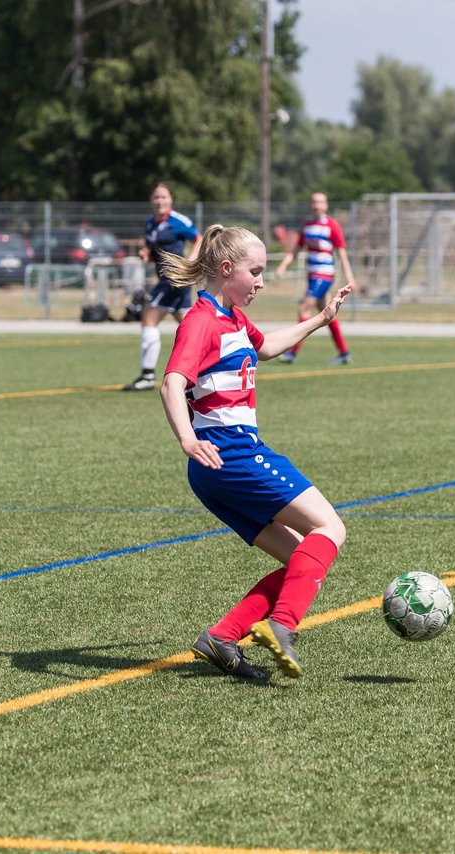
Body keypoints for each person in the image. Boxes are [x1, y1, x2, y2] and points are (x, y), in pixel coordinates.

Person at [158, 224, 352, 680]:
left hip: (217, 467)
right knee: (331, 528)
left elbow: (266, 349)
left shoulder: (233, 319)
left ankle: (223, 636)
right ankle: (282, 626)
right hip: (231, 455)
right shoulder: (202, 319)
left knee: (303, 556)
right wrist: (187, 439)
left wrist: (321, 319)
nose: (262, 282)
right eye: (256, 272)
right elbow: (172, 382)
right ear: (227, 269)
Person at [124, 182, 202, 391]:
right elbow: (154, 251)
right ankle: (210, 366)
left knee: (148, 318)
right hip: (165, 278)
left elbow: (199, 239)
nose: (160, 201)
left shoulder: (178, 221)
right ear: (151, 200)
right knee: (191, 327)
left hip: (174, 278)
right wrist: (146, 255)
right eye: (156, 197)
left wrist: (190, 263)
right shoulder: (150, 223)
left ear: (171, 200)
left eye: (164, 197)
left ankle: (147, 375)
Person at [273, 191, 355, 365]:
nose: (317, 205)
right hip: (312, 276)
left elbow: (341, 252)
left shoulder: (332, 225)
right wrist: (283, 265)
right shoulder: (308, 225)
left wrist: (350, 277)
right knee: (327, 313)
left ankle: (292, 353)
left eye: (321, 202)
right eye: (314, 202)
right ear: (311, 204)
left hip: (324, 275)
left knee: (304, 308)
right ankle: (344, 353)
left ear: (326, 205)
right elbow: (296, 250)